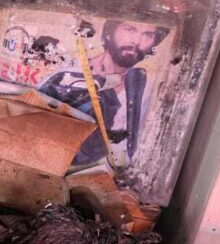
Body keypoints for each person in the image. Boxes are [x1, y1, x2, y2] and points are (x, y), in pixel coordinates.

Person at [38, 19, 170, 169]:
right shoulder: (66, 75)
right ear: (109, 32)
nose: (137, 41)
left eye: (147, 35)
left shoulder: (149, 90)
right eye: (129, 29)